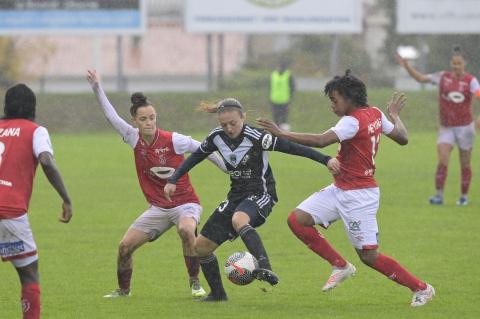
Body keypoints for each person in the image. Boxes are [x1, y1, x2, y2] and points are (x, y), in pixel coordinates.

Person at [257, 70, 435, 307]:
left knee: (369, 257)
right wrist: (394, 116)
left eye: (334, 99)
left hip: (359, 196)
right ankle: (340, 265)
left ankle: (422, 288)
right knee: (297, 219)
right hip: (341, 188)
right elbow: (403, 138)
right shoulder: (375, 114)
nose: (332, 105)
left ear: (350, 98)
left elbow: (321, 140)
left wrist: (281, 133)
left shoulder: (351, 121)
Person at [164, 98, 338, 302]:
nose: (229, 128)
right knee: (201, 246)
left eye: (233, 123)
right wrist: (173, 179)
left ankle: (265, 267)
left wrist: (326, 159)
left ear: (243, 118)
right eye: (224, 125)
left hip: (261, 193)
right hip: (236, 195)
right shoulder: (216, 137)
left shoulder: (257, 137)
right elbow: (195, 157)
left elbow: (293, 148)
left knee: (239, 220)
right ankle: (218, 294)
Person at [86, 70, 227, 299]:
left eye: (152, 117)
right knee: (124, 247)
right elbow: (111, 116)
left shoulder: (174, 140)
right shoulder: (133, 138)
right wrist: (96, 87)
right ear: (135, 121)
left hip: (185, 203)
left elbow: (204, 148)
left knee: (185, 229)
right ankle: (123, 291)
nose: (149, 122)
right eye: (143, 119)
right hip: (159, 208)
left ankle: (195, 282)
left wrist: (226, 168)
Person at [0, 83, 73, 319]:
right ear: (33, 107)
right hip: (10, 211)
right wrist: (65, 198)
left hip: (9, 211)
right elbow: (47, 161)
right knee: (29, 275)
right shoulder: (35, 131)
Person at [396, 46, 480, 206]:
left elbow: (478, 96)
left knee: (465, 162)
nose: (456, 66)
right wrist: (407, 66)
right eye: (454, 63)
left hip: (465, 127)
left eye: (459, 63)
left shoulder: (471, 81)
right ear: (451, 63)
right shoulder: (442, 77)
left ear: (464, 64)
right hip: (446, 127)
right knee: (442, 159)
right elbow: (420, 79)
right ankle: (439, 196)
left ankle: (463, 197)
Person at [270, 60, 295, 131]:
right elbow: (270, 86)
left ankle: (285, 134)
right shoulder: (273, 74)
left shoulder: (288, 75)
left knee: (284, 118)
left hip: (285, 100)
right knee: (276, 118)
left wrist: (290, 97)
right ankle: (276, 134)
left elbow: (292, 87)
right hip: (274, 100)